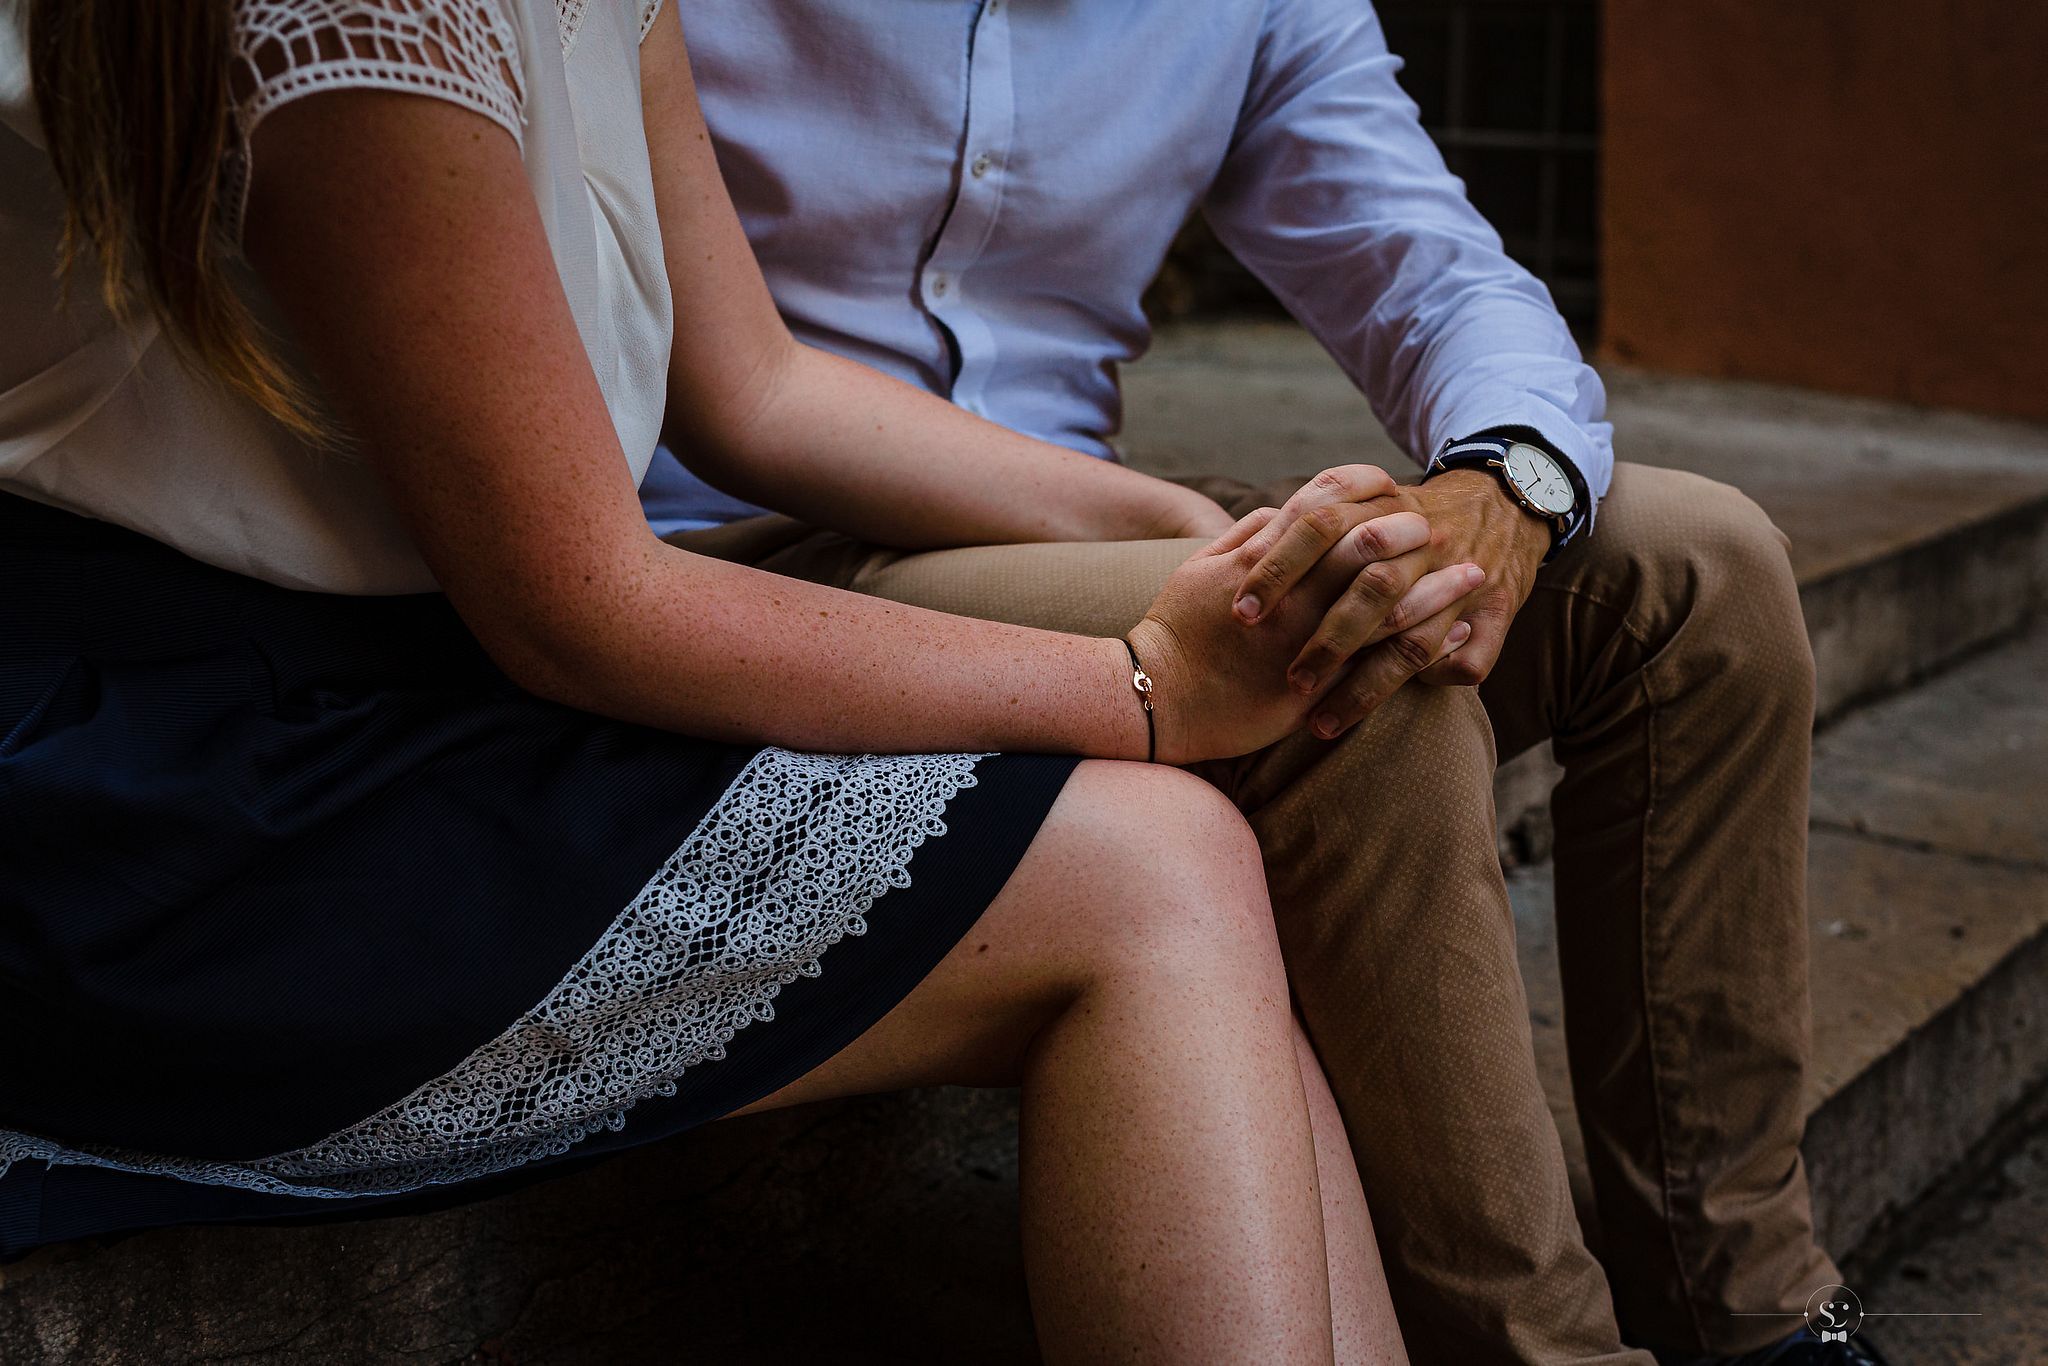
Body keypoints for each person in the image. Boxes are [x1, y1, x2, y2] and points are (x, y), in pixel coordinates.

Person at [0, 2, 1439, 1359]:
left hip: (408, 701)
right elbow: (584, 607)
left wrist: (1176, 530)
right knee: (1158, 875)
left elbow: (755, 388)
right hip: (180, 789)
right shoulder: (361, 27)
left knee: (1186, 872)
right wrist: (1144, 683)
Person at [634, 3, 1884, 1364]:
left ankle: (1757, 1311)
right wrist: (1191, 540)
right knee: (1331, 656)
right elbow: (737, 392)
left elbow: (1427, 262)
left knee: (1696, 572)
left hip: (1109, 520)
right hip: (760, 552)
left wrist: (1502, 480)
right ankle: (1543, 1346)